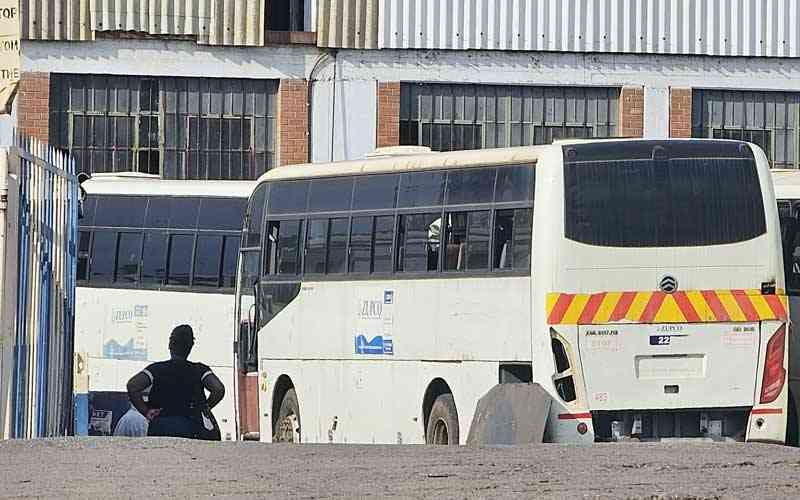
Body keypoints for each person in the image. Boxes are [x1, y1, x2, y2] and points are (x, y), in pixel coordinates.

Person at [126, 324, 225, 439]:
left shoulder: (157, 369)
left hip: (161, 427)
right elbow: (218, 389)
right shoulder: (200, 370)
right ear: (191, 346)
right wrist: (204, 408)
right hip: (191, 428)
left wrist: (146, 412)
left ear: (170, 344)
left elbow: (133, 386)